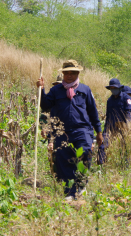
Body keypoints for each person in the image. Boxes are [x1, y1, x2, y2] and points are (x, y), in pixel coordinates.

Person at [37, 59, 103, 200]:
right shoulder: (56, 91)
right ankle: (69, 192)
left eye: (73, 73)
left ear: (78, 73)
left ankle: (81, 185)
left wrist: (99, 132)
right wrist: (41, 89)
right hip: (62, 131)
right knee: (63, 159)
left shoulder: (85, 90)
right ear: (63, 74)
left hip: (82, 129)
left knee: (85, 152)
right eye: (67, 73)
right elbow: (45, 105)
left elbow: (93, 112)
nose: (70, 76)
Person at [97, 79, 131, 165]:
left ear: (119, 88)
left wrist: (127, 127)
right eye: (111, 88)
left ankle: (127, 165)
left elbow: (129, 113)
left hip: (124, 127)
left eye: (115, 88)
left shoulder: (126, 98)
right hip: (111, 127)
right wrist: (105, 131)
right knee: (102, 144)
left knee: (126, 146)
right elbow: (108, 116)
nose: (113, 89)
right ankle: (101, 165)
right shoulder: (109, 100)